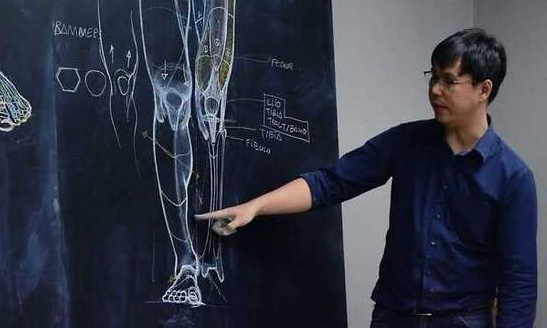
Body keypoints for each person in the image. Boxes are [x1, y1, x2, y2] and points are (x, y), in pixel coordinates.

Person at [196, 28, 537, 327]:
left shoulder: (513, 177)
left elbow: (518, 282)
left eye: (449, 81)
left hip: (463, 320)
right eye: (433, 77)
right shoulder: (406, 142)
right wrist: (255, 207)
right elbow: (332, 182)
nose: (435, 90)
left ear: (483, 89)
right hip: (395, 315)